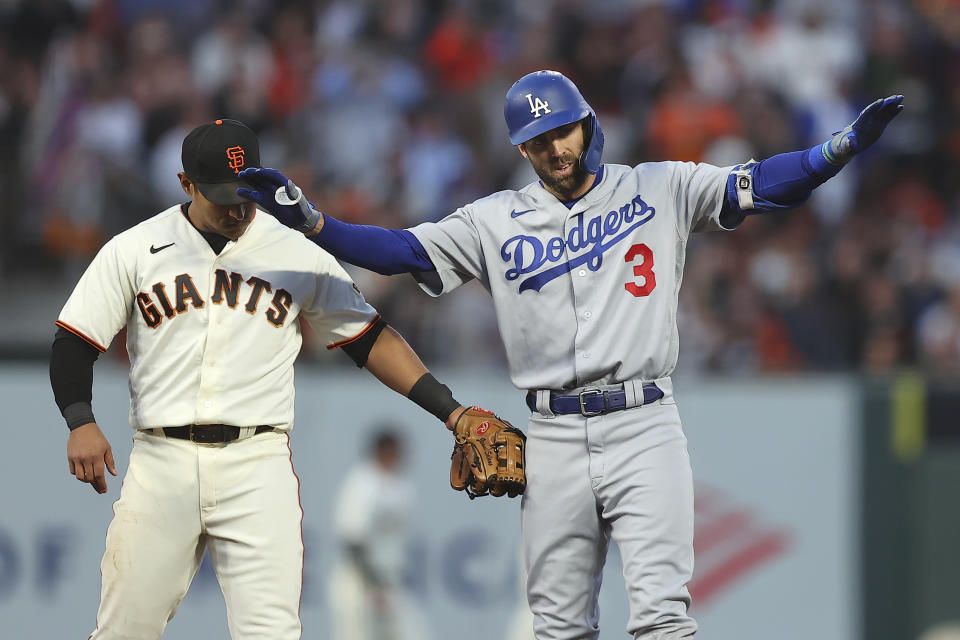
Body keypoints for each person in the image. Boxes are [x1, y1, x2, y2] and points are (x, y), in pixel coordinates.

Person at [239, 71, 904, 639]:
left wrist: (836, 150)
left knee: (662, 620)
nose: (554, 148)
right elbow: (402, 252)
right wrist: (314, 222)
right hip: (552, 433)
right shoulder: (493, 219)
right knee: (555, 626)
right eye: (537, 140)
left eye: (562, 130)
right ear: (521, 148)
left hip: (644, 424)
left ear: (587, 124)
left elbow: (760, 185)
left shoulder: (658, 187)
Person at [49, 118, 479, 640]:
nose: (236, 209)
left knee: (272, 634)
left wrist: (450, 409)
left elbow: (369, 338)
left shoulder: (294, 248)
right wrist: (80, 419)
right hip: (161, 461)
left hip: (257, 463)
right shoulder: (136, 248)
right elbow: (75, 339)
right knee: (124, 632)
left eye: (246, 193)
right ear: (186, 184)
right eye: (221, 196)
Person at [328, 427, 431, 640]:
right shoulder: (361, 481)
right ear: (379, 451)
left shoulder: (403, 487)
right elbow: (353, 541)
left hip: (389, 582)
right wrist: (376, 586)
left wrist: (385, 586)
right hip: (358, 580)